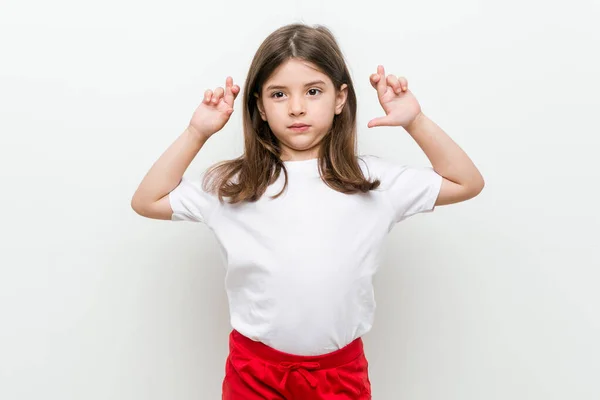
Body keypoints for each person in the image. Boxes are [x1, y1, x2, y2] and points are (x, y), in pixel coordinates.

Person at [131, 22, 484, 400]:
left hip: (340, 374)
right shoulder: (232, 185)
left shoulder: (374, 181)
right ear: (260, 107)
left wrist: (416, 121)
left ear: (339, 98)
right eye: (279, 94)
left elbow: (466, 182)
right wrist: (196, 132)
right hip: (254, 373)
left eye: (313, 91)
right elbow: (147, 200)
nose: (297, 107)